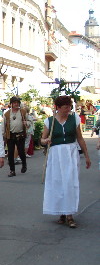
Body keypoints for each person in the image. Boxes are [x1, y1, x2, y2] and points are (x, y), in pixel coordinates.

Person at [41, 95, 91, 228]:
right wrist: (45, 141)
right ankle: (61, 212)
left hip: (70, 153)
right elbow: (42, 139)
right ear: (57, 108)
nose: (68, 109)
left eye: (69, 107)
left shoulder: (74, 119)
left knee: (70, 182)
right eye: (65, 107)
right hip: (56, 155)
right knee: (57, 182)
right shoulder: (49, 121)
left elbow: (80, 138)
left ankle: (69, 214)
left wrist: (86, 156)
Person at [3, 96, 28, 177]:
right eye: (14, 103)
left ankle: (24, 164)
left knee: (21, 151)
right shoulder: (7, 114)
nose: (16, 104)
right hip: (10, 135)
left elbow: (29, 121)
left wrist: (27, 123)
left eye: (17, 103)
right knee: (10, 153)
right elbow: (3, 125)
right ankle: (12, 170)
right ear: (11, 104)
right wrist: (3, 134)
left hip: (20, 135)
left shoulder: (23, 112)